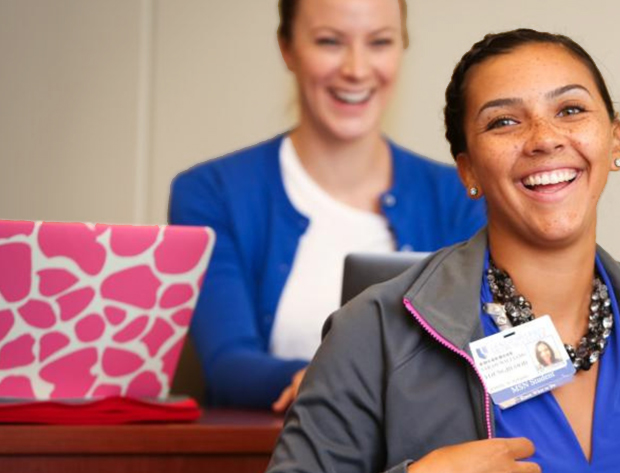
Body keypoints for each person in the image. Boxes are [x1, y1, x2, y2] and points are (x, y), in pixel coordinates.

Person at [268, 29, 620, 472]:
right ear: (468, 171)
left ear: (616, 138)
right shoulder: (371, 332)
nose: (544, 139)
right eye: (503, 122)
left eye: (570, 110)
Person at [167, 0, 485, 411]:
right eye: (330, 41)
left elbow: (481, 358)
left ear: (402, 46)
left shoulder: (461, 195)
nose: (356, 68)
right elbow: (226, 365)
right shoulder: (210, 193)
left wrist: (334, 378)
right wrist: (332, 381)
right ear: (287, 48)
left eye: (379, 42)